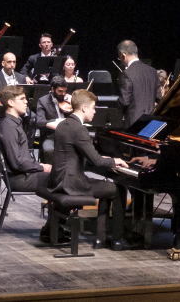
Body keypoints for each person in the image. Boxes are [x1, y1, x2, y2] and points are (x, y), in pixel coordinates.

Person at [48, 89, 130, 247]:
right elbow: (97, 162)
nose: (95, 111)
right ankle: (117, 240)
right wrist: (115, 161)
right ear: (84, 107)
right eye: (93, 107)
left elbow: (78, 153)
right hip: (72, 183)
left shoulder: (64, 123)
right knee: (117, 189)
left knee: (107, 187)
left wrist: (103, 159)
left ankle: (102, 238)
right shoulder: (80, 129)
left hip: (59, 178)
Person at [0, 85, 64, 243]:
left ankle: (54, 228)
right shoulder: (8, 127)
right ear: (11, 102)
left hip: (26, 173)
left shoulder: (15, 123)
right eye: (22, 99)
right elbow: (17, 163)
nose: (26, 102)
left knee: (62, 176)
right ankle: (54, 231)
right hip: (19, 178)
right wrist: (42, 167)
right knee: (63, 180)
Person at [117, 40, 161, 128]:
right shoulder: (153, 71)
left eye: (120, 58)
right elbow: (159, 98)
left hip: (133, 124)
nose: (121, 61)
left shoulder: (127, 73)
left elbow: (124, 101)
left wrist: (116, 106)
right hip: (151, 122)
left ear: (123, 55)